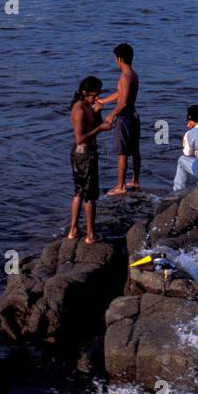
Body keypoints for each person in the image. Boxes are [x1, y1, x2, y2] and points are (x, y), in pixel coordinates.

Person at [67, 77, 109, 244]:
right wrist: (100, 128)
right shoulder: (79, 110)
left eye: (98, 95)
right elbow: (80, 139)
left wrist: (98, 112)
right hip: (84, 155)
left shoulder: (87, 106)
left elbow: (94, 125)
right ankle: (90, 235)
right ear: (84, 93)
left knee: (79, 191)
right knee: (89, 196)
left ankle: (73, 230)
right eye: (94, 95)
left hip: (85, 154)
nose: (96, 98)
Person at [98, 43, 141, 195]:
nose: (115, 61)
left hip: (124, 118)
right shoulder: (133, 74)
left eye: (116, 58)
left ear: (120, 58)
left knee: (121, 152)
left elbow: (122, 102)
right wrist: (103, 101)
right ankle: (135, 181)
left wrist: (112, 114)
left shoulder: (124, 77)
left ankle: (120, 186)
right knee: (135, 150)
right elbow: (121, 94)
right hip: (134, 116)